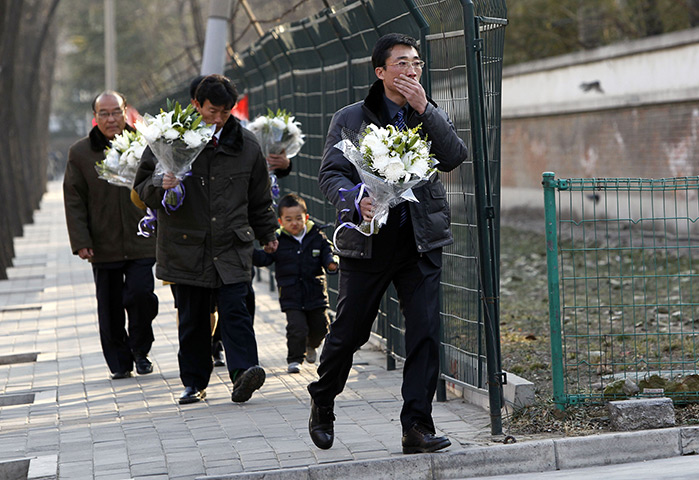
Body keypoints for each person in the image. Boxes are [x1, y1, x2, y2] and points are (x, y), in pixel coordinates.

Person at [307, 33, 469, 454]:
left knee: (424, 333)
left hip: (420, 241)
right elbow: (331, 174)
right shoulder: (351, 118)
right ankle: (323, 398)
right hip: (369, 241)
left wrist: (425, 110)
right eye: (401, 63)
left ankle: (416, 426)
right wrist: (356, 198)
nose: (411, 70)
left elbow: (453, 156)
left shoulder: (427, 114)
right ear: (380, 72)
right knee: (350, 331)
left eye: (416, 63)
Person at [134, 74, 279, 405]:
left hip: (231, 244)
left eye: (225, 112)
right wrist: (162, 186)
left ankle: (244, 372)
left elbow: (259, 198)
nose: (218, 119)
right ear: (196, 105)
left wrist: (268, 233)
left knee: (236, 311)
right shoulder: (169, 140)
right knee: (193, 319)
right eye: (212, 111)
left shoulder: (247, 145)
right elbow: (141, 190)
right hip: (187, 245)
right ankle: (194, 382)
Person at [63, 91, 159, 380]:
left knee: (142, 295)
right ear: (96, 116)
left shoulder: (145, 144)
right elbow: (74, 198)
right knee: (110, 305)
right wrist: (81, 241)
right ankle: (120, 362)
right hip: (102, 243)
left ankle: (141, 350)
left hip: (141, 238)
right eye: (103, 113)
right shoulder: (80, 153)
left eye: (115, 112)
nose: (110, 119)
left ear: (125, 111)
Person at [253, 193, 338, 374]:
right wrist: (249, 253)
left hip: (315, 293)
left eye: (298, 219)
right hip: (291, 294)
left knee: (322, 326)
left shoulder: (317, 236)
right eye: (288, 219)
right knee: (296, 328)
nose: (294, 223)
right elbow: (264, 258)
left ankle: (311, 345)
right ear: (281, 221)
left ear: (306, 218)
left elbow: (327, 252)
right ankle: (294, 359)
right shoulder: (278, 241)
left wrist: (331, 263)